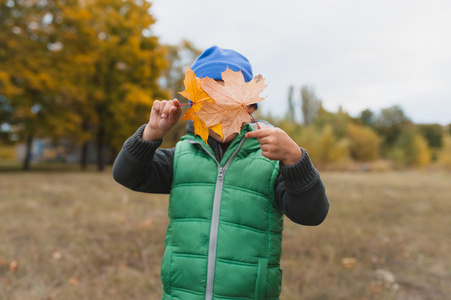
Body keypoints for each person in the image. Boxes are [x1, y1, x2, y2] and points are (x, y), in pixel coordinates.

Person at [113, 46, 329, 300]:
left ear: (249, 106)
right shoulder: (182, 157)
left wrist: (295, 160)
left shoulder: (271, 163)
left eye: (229, 101)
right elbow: (127, 174)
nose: (219, 112)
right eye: (207, 102)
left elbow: (312, 214)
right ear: (193, 108)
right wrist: (151, 134)